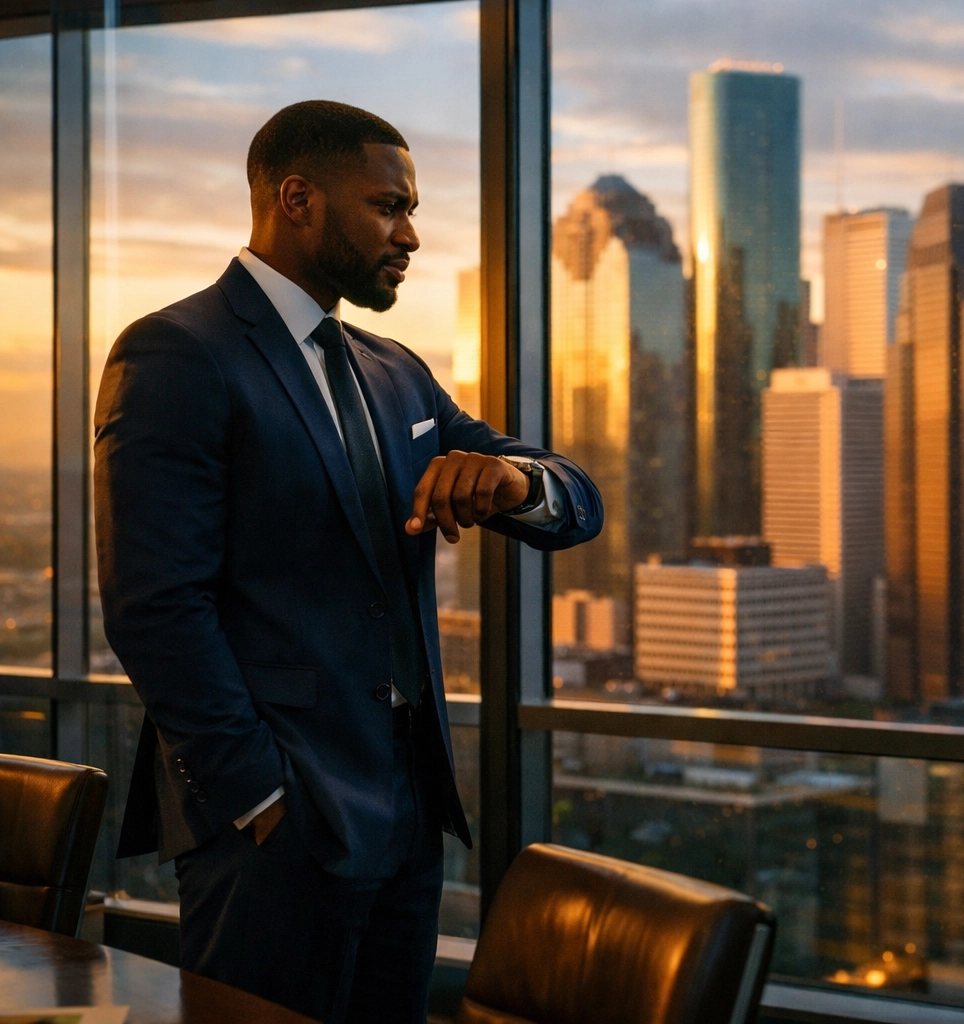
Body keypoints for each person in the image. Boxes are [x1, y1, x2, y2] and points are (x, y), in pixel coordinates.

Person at [95, 100, 602, 1024]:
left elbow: (573, 500)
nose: (410, 234)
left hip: (408, 816)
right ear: (297, 198)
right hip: (275, 824)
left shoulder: (395, 370)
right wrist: (256, 798)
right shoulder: (176, 352)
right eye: (388, 206)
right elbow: (154, 604)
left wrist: (512, 482)